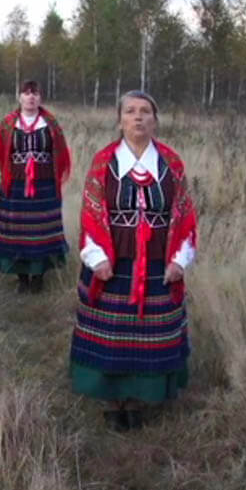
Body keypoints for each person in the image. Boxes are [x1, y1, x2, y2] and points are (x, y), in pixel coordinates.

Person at [70, 90, 197, 431]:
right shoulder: (104, 161)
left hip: (158, 265)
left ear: (155, 121)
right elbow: (91, 213)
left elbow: (184, 216)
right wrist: (96, 258)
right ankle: (112, 400)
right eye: (130, 111)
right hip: (113, 264)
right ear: (120, 120)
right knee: (111, 335)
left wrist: (179, 260)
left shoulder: (171, 162)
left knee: (149, 335)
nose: (138, 117)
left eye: (145, 111)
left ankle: (140, 399)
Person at [0, 80, 71, 293]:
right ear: (20, 97)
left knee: (42, 231)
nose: (31, 97)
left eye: (35, 93)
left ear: (40, 98)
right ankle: (22, 278)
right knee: (16, 231)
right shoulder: (8, 124)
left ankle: (39, 278)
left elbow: (61, 154)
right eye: (26, 93)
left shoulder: (50, 124)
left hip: (44, 187)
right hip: (15, 186)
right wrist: (12, 170)